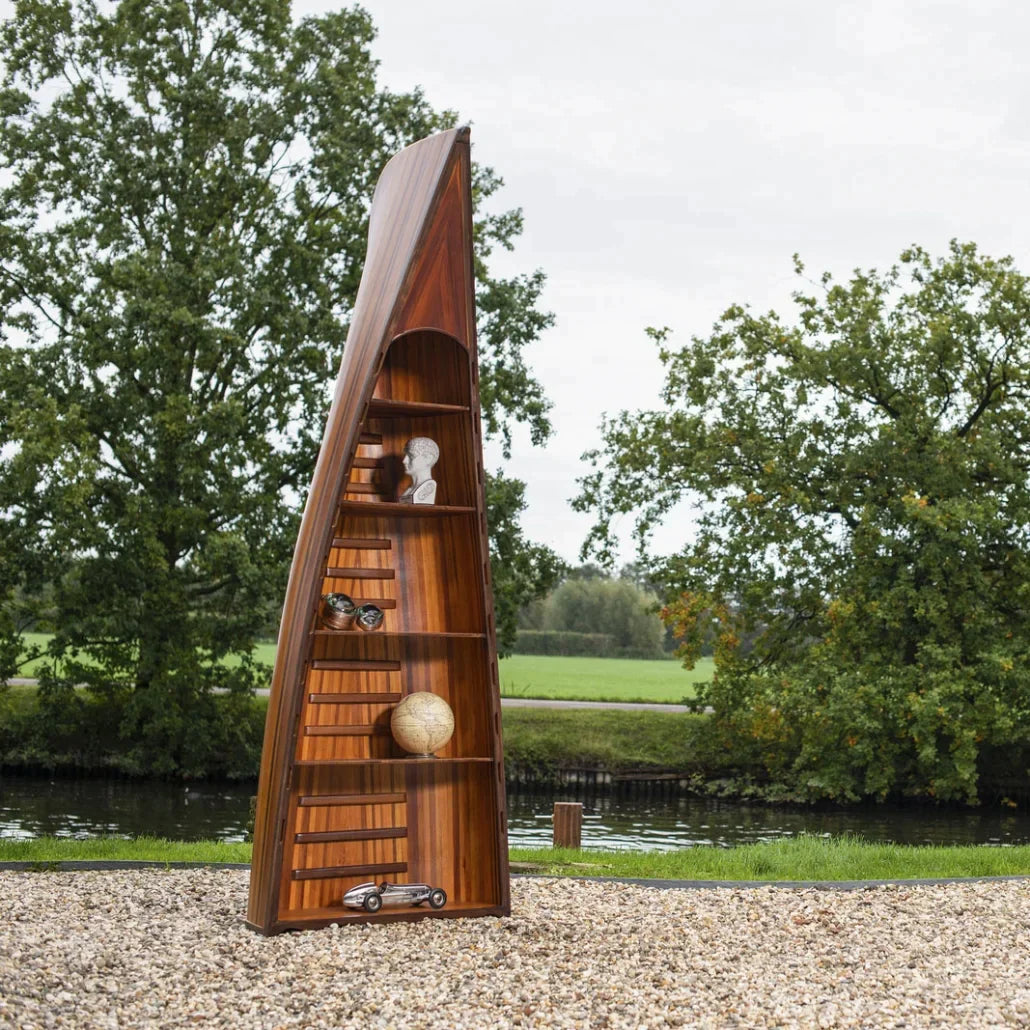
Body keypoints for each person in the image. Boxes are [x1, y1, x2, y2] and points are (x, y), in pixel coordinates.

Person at [399, 436, 439, 504]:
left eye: (411, 456)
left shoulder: (429, 487)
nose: (404, 461)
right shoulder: (409, 490)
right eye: (405, 455)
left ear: (428, 459)